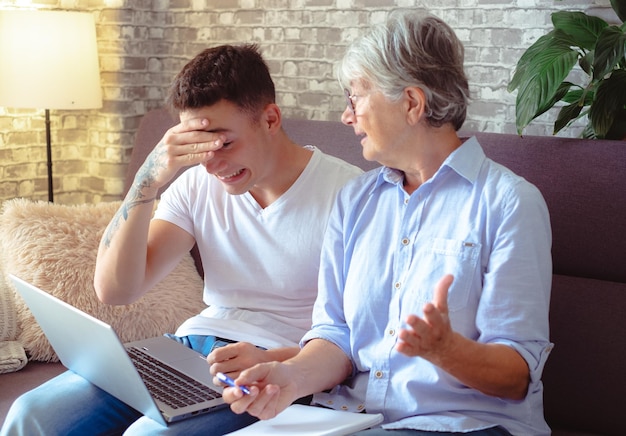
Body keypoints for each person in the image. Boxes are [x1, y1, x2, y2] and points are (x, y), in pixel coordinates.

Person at [0, 44, 362, 435]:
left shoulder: (350, 194)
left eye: (223, 143)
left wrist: (276, 360)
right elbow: (116, 289)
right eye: (199, 146)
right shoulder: (196, 184)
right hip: (189, 347)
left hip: (273, 366)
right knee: (32, 412)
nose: (213, 164)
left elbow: (364, 336)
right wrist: (147, 181)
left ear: (270, 119)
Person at [222, 11, 553, 436]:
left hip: (462, 425)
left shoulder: (508, 203)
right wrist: (290, 378)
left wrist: (447, 351)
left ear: (411, 103)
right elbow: (336, 336)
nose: (347, 116)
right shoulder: (355, 201)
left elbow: (516, 377)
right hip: (353, 419)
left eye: (356, 97)